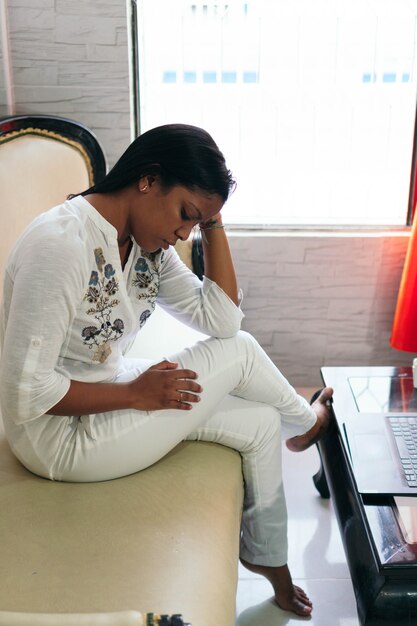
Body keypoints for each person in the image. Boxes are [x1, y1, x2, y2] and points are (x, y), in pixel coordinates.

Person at [0, 123, 333, 618]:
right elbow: (26, 394)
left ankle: (270, 563)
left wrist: (213, 222)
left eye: (195, 224)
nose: (183, 234)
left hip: (102, 387)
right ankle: (307, 426)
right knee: (239, 353)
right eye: (186, 215)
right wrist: (136, 393)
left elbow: (221, 318)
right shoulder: (61, 245)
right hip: (54, 439)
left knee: (261, 424)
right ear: (148, 180)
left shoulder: (144, 249)